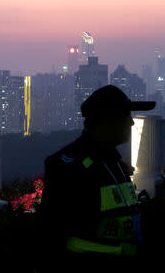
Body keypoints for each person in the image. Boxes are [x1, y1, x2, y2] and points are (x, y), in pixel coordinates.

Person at [39, 85, 156, 272]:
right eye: (126, 115)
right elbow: (53, 234)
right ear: (108, 119)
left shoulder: (114, 162)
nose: (132, 123)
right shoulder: (69, 166)